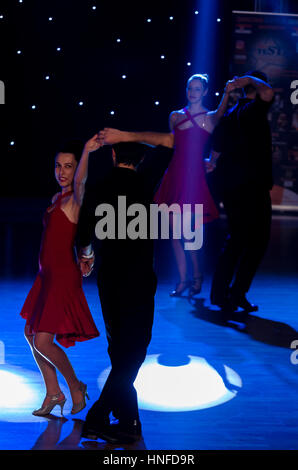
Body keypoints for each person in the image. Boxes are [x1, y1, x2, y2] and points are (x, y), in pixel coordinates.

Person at [77, 135, 174, 444]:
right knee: (133, 351)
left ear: (114, 154)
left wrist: (88, 254)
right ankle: (98, 416)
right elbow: (172, 140)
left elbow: (84, 233)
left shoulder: (101, 183)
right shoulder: (146, 179)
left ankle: (130, 422)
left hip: (110, 278)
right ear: (142, 160)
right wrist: (126, 134)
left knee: (122, 351)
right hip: (138, 278)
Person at [20, 135, 102, 417]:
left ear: (76, 169)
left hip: (62, 277)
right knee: (31, 334)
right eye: (58, 166)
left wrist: (87, 151)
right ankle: (53, 392)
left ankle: (75, 385)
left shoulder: (75, 200)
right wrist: (87, 253)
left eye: (68, 166)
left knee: (42, 340)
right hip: (46, 276)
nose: (62, 172)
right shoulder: (57, 198)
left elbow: (81, 182)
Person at [208, 71, 274, 315]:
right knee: (255, 242)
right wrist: (248, 79)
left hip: (233, 186)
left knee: (238, 240)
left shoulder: (231, 112)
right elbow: (267, 92)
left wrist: (213, 162)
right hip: (250, 186)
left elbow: (217, 147)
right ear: (256, 87)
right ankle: (235, 293)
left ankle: (222, 293)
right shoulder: (253, 109)